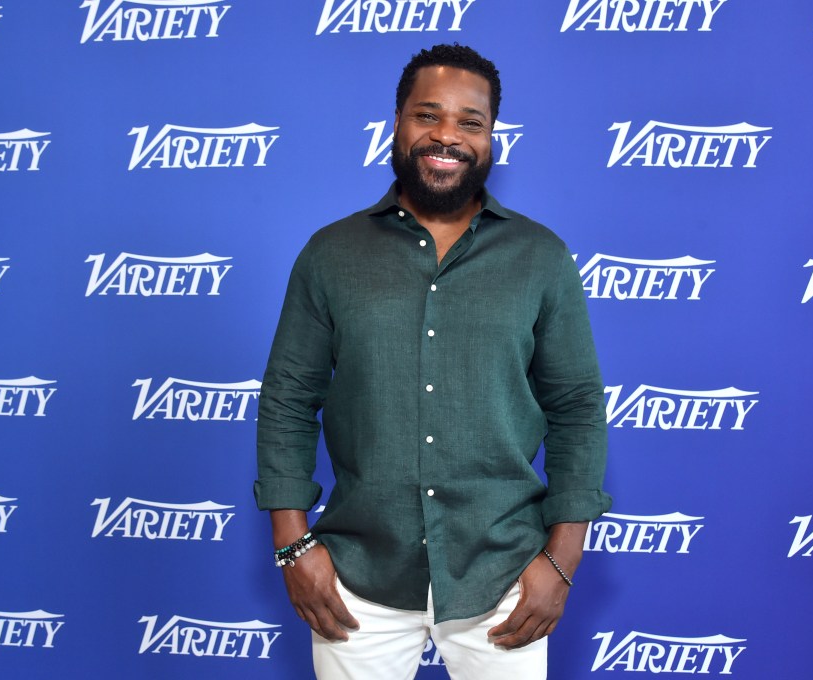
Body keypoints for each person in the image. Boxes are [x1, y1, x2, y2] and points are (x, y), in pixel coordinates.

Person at [254, 43, 610, 680]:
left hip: (502, 577)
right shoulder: (330, 253)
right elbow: (287, 398)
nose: (448, 135)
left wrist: (562, 560)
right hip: (357, 578)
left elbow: (578, 407)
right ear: (396, 122)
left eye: (470, 123)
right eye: (428, 115)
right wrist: (292, 546)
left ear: (491, 135)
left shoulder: (541, 257)